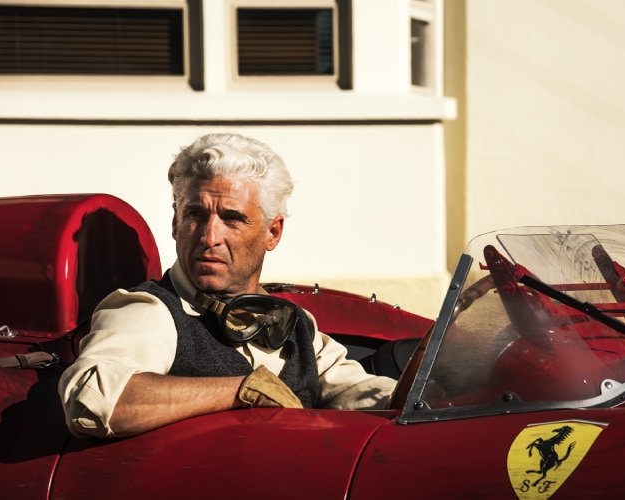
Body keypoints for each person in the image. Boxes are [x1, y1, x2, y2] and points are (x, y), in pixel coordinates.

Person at [58, 133, 396, 438]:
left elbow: (368, 394)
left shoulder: (297, 324)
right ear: (176, 222)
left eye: (232, 218)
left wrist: (423, 379)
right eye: (195, 215)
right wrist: (240, 390)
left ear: (273, 232)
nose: (210, 237)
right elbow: (92, 400)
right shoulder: (149, 310)